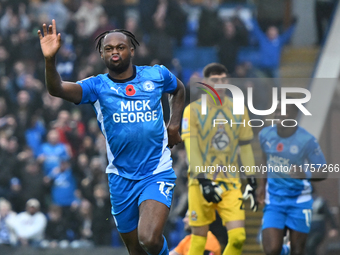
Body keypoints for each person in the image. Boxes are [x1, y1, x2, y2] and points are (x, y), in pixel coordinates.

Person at [38, 20, 185, 255]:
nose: (115, 52)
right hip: (120, 178)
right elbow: (57, 89)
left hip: (156, 171)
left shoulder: (156, 75)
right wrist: (49, 59)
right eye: (108, 49)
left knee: (149, 238)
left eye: (120, 47)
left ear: (132, 50)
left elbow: (179, 89)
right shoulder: (96, 86)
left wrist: (174, 124)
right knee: (136, 249)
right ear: (101, 54)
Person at [181, 63, 257, 255]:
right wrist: (203, 180)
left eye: (223, 80)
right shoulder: (192, 111)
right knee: (198, 240)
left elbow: (246, 147)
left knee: (238, 237)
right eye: (215, 81)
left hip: (230, 183)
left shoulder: (239, 109)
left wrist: (252, 179)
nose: (220, 85)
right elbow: (192, 150)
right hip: (200, 183)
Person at [257, 102, 327, 255]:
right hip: (274, 200)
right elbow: (264, 160)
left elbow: (323, 171)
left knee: (298, 251)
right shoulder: (265, 135)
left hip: (299, 202)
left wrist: (305, 174)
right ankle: (284, 250)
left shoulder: (307, 140)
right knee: (272, 250)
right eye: (277, 111)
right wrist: (261, 185)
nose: (279, 114)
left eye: (284, 111)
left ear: (295, 116)